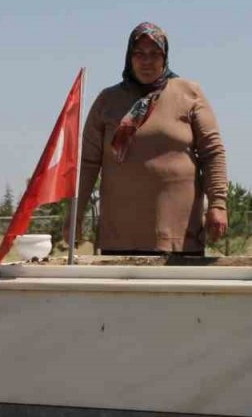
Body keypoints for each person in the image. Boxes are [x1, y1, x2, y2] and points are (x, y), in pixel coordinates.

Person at [76, 22, 228, 255]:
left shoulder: (189, 93)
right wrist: (75, 214)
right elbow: (87, 163)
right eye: (140, 54)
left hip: (179, 238)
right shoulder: (107, 101)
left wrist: (218, 203)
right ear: (129, 57)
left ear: (165, 57)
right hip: (119, 238)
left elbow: (213, 153)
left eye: (155, 54)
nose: (147, 61)